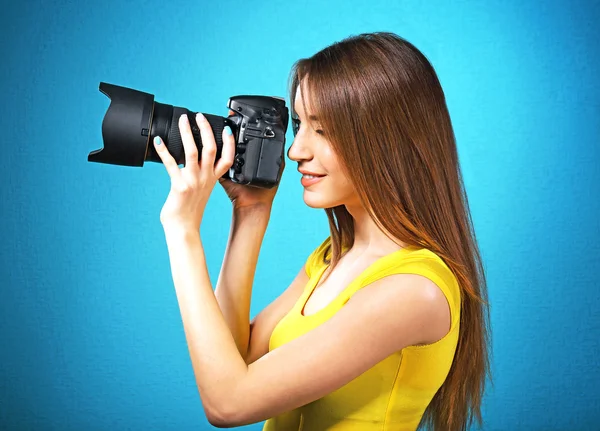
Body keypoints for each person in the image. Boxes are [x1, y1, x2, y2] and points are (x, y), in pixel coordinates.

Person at [156, 31, 492, 431]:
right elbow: (235, 360)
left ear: (389, 142)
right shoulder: (331, 257)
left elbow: (228, 403)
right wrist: (251, 212)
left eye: (324, 130)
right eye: (299, 125)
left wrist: (182, 232)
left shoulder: (414, 288)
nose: (297, 150)